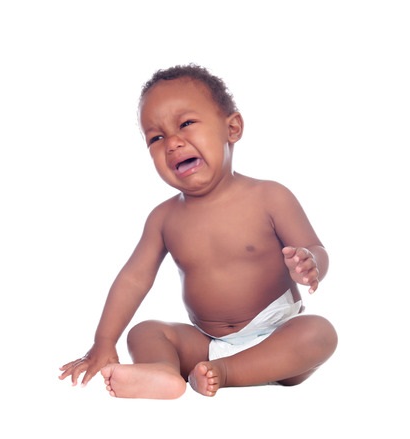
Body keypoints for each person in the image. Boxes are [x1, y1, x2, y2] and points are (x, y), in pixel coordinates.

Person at [59, 64, 338, 399]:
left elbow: (313, 247)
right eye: (156, 138)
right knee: (144, 332)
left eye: (186, 124)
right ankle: (164, 372)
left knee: (319, 333)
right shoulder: (164, 218)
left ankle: (225, 373)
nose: (173, 143)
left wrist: (311, 263)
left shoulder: (269, 196)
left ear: (232, 128)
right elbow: (134, 279)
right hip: (207, 345)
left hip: (278, 337)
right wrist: (104, 341)